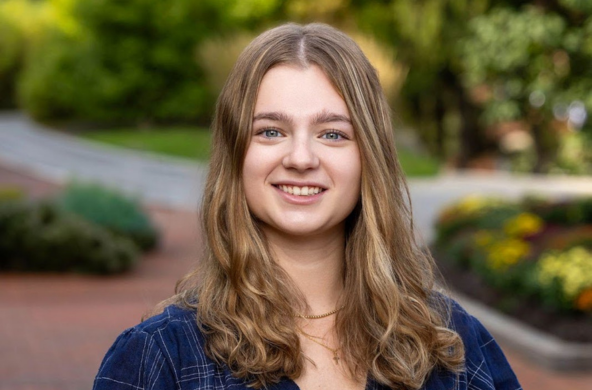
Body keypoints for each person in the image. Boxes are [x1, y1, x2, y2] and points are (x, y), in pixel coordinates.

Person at [93, 23, 521, 390]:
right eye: (271, 132)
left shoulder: (451, 345)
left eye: (332, 134)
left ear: (369, 157)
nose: (300, 158)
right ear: (236, 155)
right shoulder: (160, 360)